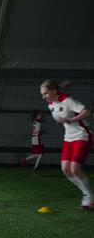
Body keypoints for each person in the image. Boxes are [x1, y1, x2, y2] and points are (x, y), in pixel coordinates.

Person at [40, 80, 93, 210]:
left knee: (75, 169)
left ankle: (89, 197)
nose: (44, 97)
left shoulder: (68, 100)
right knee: (66, 170)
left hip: (82, 135)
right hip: (68, 138)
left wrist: (70, 120)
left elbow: (87, 112)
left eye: (46, 93)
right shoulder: (51, 105)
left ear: (54, 91)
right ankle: (87, 194)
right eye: (42, 94)